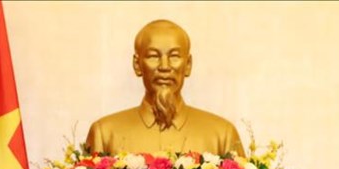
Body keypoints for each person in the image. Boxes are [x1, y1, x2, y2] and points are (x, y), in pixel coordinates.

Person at [85, 19, 244, 156]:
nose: (164, 67)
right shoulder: (105, 134)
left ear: (188, 65)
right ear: (137, 64)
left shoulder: (222, 135)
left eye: (174, 56)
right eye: (153, 56)